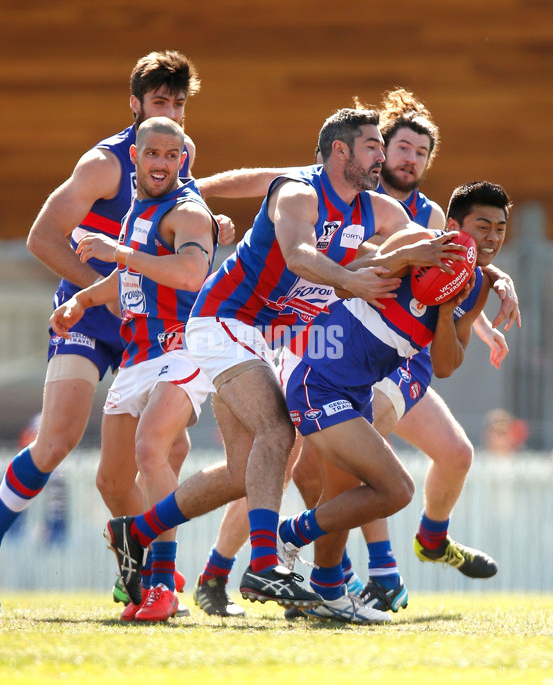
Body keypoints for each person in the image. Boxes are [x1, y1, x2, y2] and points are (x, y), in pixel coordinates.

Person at [103, 104, 467, 612]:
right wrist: (351, 279)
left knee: (242, 473)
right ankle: (264, 567)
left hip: (277, 338)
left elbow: (404, 258)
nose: (382, 155)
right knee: (279, 433)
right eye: (373, 146)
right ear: (341, 151)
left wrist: (491, 280)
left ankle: (135, 531)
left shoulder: (382, 212)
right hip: (226, 321)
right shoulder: (297, 192)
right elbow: (299, 254)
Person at [189, 88, 518, 618]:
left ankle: (402, 554)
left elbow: (455, 274)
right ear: (374, 150)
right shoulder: (330, 185)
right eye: (399, 147)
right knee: (298, 452)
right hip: (324, 341)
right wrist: (189, 191)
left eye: (421, 153)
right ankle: (241, 570)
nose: (408, 159)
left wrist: (491, 297)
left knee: (448, 454)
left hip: (394, 355)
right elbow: (261, 182)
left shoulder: (428, 214)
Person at [0, 50, 231, 616]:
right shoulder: (104, 164)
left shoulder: (177, 155)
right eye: (160, 102)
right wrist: (97, 291)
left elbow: (180, 226)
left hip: (151, 322)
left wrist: (212, 224)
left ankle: (145, 573)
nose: (173, 112)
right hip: (96, 313)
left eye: (180, 103)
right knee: (57, 438)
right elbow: (41, 237)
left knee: (159, 452)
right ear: (134, 104)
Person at [276, 180, 512, 622]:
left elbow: (445, 365)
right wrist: (405, 259)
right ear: (454, 224)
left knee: (344, 495)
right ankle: (288, 535)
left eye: (500, 228)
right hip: (320, 381)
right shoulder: (415, 239)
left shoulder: (476, 287)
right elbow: (345, 285)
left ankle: (328, 591)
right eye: (483, 226)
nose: (493, 238)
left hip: (355, 394)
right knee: (396, 489)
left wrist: (445, 310)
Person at [50, 116, 218, 621]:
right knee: (110, 480)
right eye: (154, 154)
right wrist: (82, 299)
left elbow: (191, 274)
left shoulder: (188, 211)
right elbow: (129, 276)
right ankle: (150, 571)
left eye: (173, 155)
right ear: (136, 158)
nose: (164, 163)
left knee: (152, 447)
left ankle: (162, 585)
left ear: (183, 160)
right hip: (139, 355)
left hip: (183, 348)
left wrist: (118, 253)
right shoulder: (137, 212)